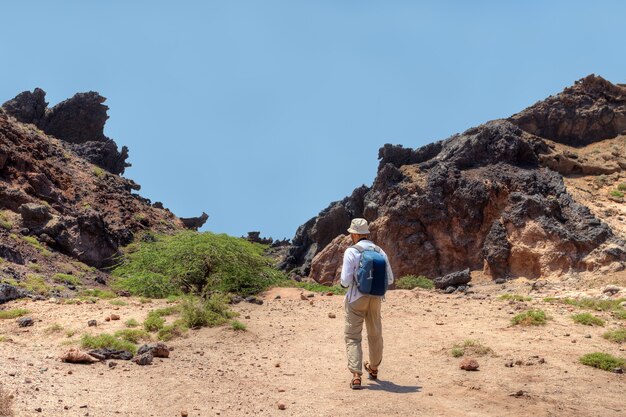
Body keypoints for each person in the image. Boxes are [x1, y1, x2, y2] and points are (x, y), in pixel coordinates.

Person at [340, 218, 394, 389]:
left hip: (356, 298)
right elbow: (390, 279)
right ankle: (374, 368)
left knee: (353, 336)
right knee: (375, 333)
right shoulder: (380, 251)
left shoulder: (351, 251)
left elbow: (345, 281)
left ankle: (356, 376)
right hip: (376, 298)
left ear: (355, 234)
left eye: (351, 234)